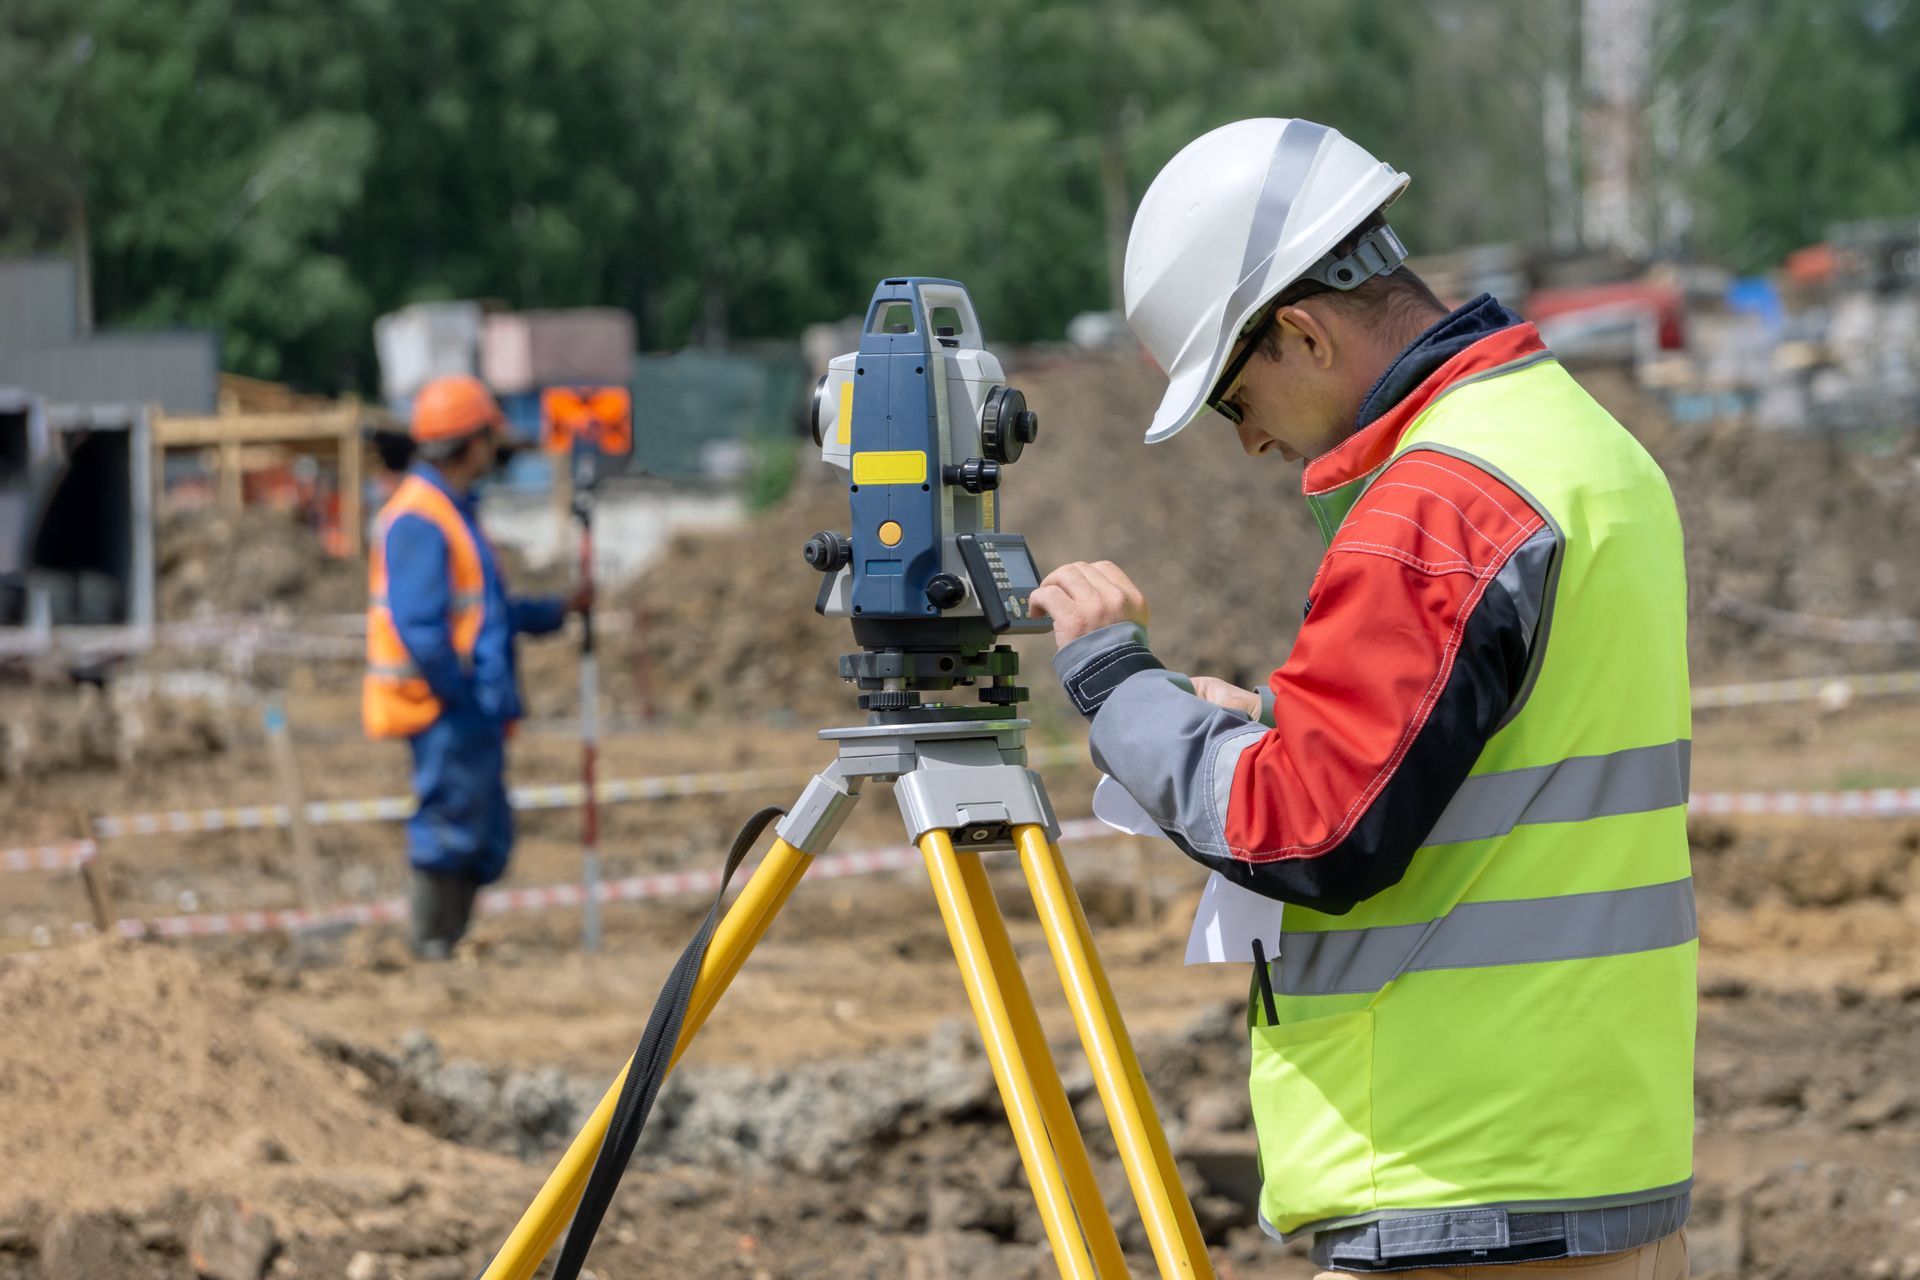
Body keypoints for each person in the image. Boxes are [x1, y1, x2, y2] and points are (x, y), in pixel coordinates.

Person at [1028, 119, 1693, 1278]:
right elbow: (1495, 769)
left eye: (1235, 401)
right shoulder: (1585, 446)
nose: (1247, 445)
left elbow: (1311, 828)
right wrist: (1268, 734)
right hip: (1597, 1152)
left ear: (1299, 330)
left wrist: (1118, 685)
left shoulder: (1437, 501)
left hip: (1456, 1172)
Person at [363, 374, 589, 959]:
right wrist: (463, 696)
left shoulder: (451, 511)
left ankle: (447, 943)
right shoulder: (420, 516)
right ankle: (431, 949)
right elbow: (422, 629)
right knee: (449, 829)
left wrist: (555, 610)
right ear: (472, 442)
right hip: (444, 708)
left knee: (483, 837)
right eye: (489, 435)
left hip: (468, 706)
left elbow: (487, 612)